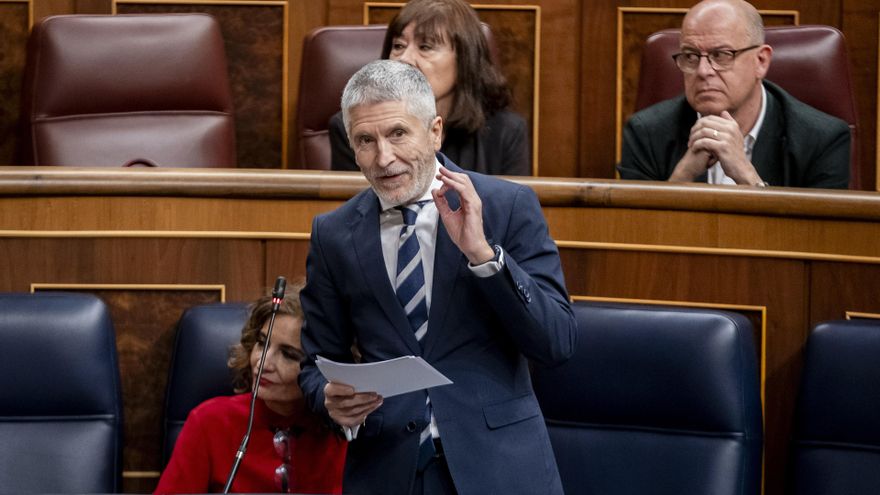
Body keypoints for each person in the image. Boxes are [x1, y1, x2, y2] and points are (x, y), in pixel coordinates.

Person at [299, 59, 576, 495]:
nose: (383, 158)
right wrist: (329, 400)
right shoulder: (334, 234)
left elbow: (556, 342)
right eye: (365, 140)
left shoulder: (506, 206)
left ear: (435, 131)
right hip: (388, 471)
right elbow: (315, 365)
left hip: (501, 467)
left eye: (397, 134)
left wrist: (484, 257)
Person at [617, 0, 850, 189]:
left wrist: (747, 176)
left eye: (721, 55)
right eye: (690, 56)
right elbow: (635, 236)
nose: (703, 71)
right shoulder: (646, 133)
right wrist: (683, 176)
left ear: (761, 61)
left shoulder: (821, 139)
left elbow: (819, 240)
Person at [155, 286, 346, 494]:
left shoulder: (345, 432)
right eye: (262, 344)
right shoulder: (209, 422)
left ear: (322, 369)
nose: (263, 363)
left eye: (289, 355)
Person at [329, 0, 530, 176]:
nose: (405, 59)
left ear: (464, 60)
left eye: (425, 47)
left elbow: (508, 214)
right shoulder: (354, 127)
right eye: (398, 46)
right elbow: (357, 212)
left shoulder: (505, 133)